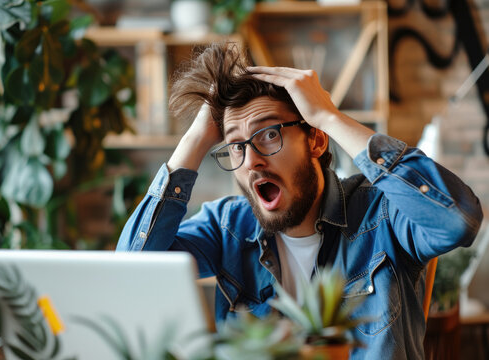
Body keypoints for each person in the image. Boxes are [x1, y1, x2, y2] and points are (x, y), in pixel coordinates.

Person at [116, 43, 483, 359]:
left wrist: (329, 116)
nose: (253, 159)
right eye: (236, 146)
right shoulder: (227, 225)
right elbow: (130, 273)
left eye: (270, 134)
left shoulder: (382, 214)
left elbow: (457, 221)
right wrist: (197, 136)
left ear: (317, 141)